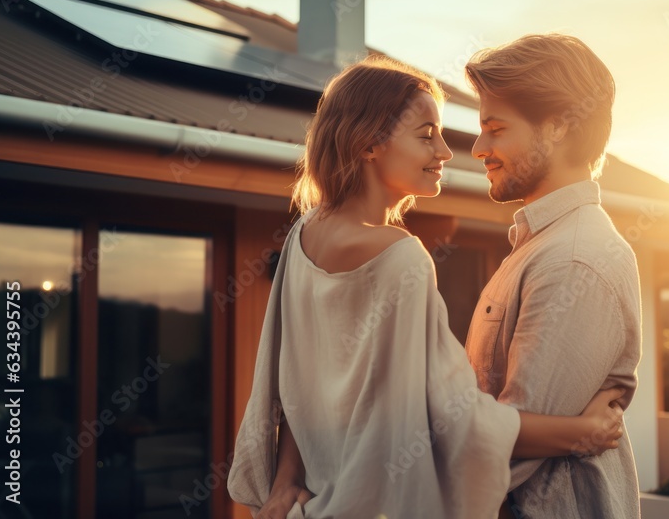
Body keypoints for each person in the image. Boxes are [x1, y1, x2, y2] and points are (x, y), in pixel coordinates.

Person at [226, 56, 626, 519]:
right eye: (425, 135)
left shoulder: (303, 235)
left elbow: (297, 385)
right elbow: (455, 419)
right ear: (368, 143)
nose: (445, 152)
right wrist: (583, 433)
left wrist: (286, 478)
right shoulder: (400, 257)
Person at [463, 34, 643, 518]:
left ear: (560, 125)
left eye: (496, 128)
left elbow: (511, 442)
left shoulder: (573, 260)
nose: (479, 147)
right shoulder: (539, 247)